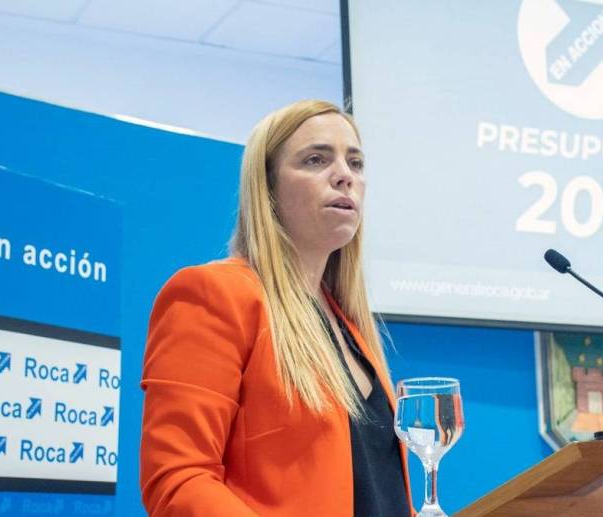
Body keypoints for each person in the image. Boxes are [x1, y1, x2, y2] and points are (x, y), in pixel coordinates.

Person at [139, 100, 412, 516]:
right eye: (316, 159)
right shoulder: (214, 294)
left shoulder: (349, 327)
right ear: (266, 189)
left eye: (355, 163)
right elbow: (177, 479)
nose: (345, 175)